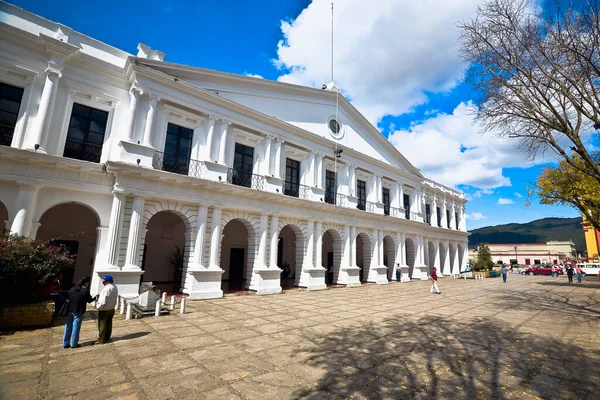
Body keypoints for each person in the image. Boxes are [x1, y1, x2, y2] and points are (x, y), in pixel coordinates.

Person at [63, 277, 94, 348]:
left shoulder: (72, 289)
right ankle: (74, 344)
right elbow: (89, 300)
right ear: (85, 283)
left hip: (69, 310)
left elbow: (68, 298)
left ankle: (65, 343)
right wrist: (95, 298)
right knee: (76, 328)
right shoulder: (85, 291)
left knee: (67, 327)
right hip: (78, 311)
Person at [96, 275, 118, 344]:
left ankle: (102, 339)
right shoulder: (115, 287)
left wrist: (98, 307)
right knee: (109, 324)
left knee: (102, 324)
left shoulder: (106, 289)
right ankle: (107, 337)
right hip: (111, 308)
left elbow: (103, 301)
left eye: (104, 281)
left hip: (104, 309)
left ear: (107, 281)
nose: (103, 282)